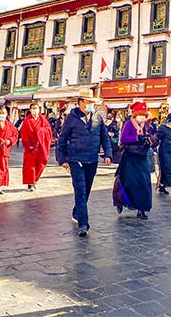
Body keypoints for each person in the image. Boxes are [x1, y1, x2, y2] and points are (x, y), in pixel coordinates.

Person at [56, 89, 113, 237]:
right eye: (88, 102)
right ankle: (83, 224)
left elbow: (104, 137)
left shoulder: (98, 118)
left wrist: (108, 153)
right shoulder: (71, 118)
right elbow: (62, 139)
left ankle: (77, 211)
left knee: (87, 189)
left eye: (92, 103)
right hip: (76, 159)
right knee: (80, 189)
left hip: (92, 159)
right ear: (81, 103)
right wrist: (61, 158)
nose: (91, 105)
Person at [114, 102, 156, 220]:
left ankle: (142, 208)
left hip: (142, 158)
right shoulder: (128, 124)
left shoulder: (147, 126)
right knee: (128, 182)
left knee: (144, 183)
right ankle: (122, 201)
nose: (142, 117)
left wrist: (150, 139)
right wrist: (137, 138)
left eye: (144, 115)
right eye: (140, 114)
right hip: (130, 158)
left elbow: (155, 138)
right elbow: (123, 139)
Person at [20, 102, 53, 191]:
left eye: (36, 108)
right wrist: (29, 147)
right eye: (33, 108)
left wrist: (40, 131)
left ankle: (35, 180)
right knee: (30, 166)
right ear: (30, 110)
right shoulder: (27, 121)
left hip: (41, 146)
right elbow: (24, 135)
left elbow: (48, 130)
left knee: (41, 164)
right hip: (31, 147)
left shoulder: (43, 120)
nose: (35, 110)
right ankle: (30, 183)